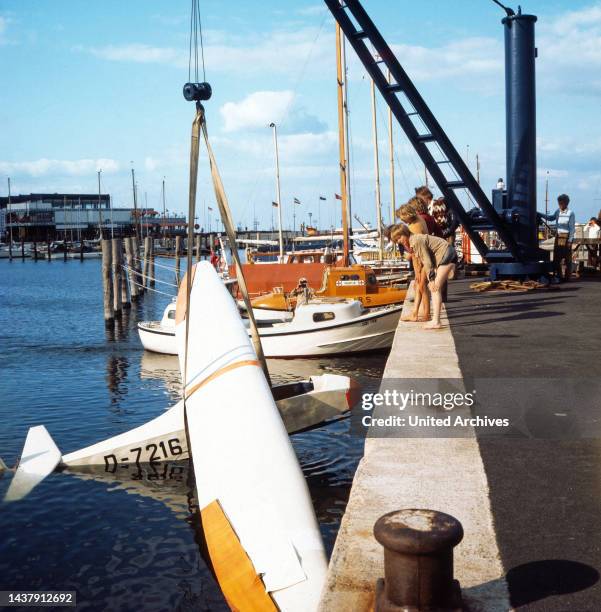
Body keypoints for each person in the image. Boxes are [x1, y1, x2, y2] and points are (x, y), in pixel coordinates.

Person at [390, 224, 457, 329]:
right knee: (434, 287)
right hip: (445, 254)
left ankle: (436, 321)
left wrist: (431, 279)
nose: (399, 241)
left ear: (405, 233)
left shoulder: (416, 241)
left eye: (399, 238)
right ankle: (450, 269)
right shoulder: (413, 241)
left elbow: (427, 261)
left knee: (435, 288)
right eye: (396, 240)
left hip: (446, 254)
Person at [396, 202, 430, 322]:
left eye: (402, 217)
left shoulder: (413, 227)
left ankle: (425, 313)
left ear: (407, 214)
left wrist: (417, 271)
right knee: (420, 285)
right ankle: (417, 312)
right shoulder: (419, 219)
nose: (402, 220)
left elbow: (415, 251)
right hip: (424, 256)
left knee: (421, 285)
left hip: (424, 258)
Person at [540, 194, 575, 281]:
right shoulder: (557, 212)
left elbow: (572, 228)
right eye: (559, 203)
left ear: (566, 203)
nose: (560, 205)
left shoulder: (570, 213)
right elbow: (550, 218)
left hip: (566, 237)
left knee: (567, 258)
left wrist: (570, 240)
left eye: (562, 203)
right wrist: (540, 214)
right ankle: (559, 275)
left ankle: (567, 277)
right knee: (557, 258)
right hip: (558, 236)